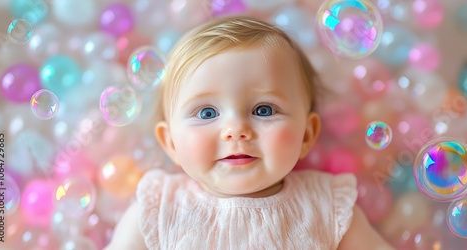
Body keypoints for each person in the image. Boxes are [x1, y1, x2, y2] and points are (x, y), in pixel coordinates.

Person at [106, 16, 393, 250]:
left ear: (306, 135)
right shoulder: (159, 210)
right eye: (207, 113)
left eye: (264, 110)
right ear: (170, 143)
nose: (236, 130)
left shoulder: (327, 207)